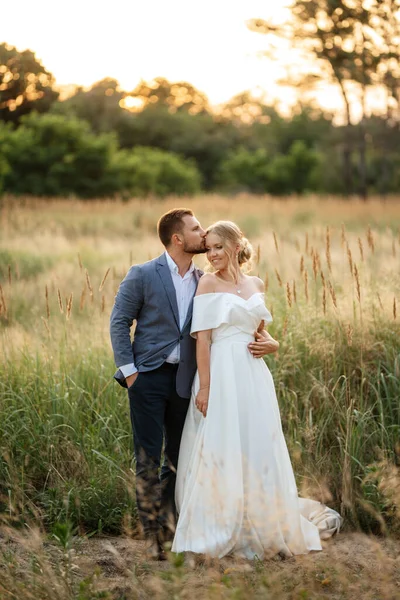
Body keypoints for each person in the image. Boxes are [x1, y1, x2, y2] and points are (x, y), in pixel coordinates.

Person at [110, 209, 276, 560]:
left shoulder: (204, 278)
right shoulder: (142, 274)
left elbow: (234, 324)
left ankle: (172, 528)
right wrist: (130, 372)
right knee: (147, 458)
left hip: (185, 380)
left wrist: (271, 341)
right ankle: (152, 536)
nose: (203, 235)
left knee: (178, 457)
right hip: (148, 377)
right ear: (177, 238)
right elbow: (119, 322)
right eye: (196, 228)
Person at [172, 221, 342, 560]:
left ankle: (261, 523)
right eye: (209, 249)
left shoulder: (256, 284)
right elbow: (202, 341)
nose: (213, 254)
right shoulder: (207, 283)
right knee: (222, 444)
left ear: (236, 246)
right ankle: (219, 524)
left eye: (219, 247)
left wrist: (274, 344)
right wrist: (205, 387)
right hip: (220, 373)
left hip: (253, 377)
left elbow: (260, 334)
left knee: (257, 443)